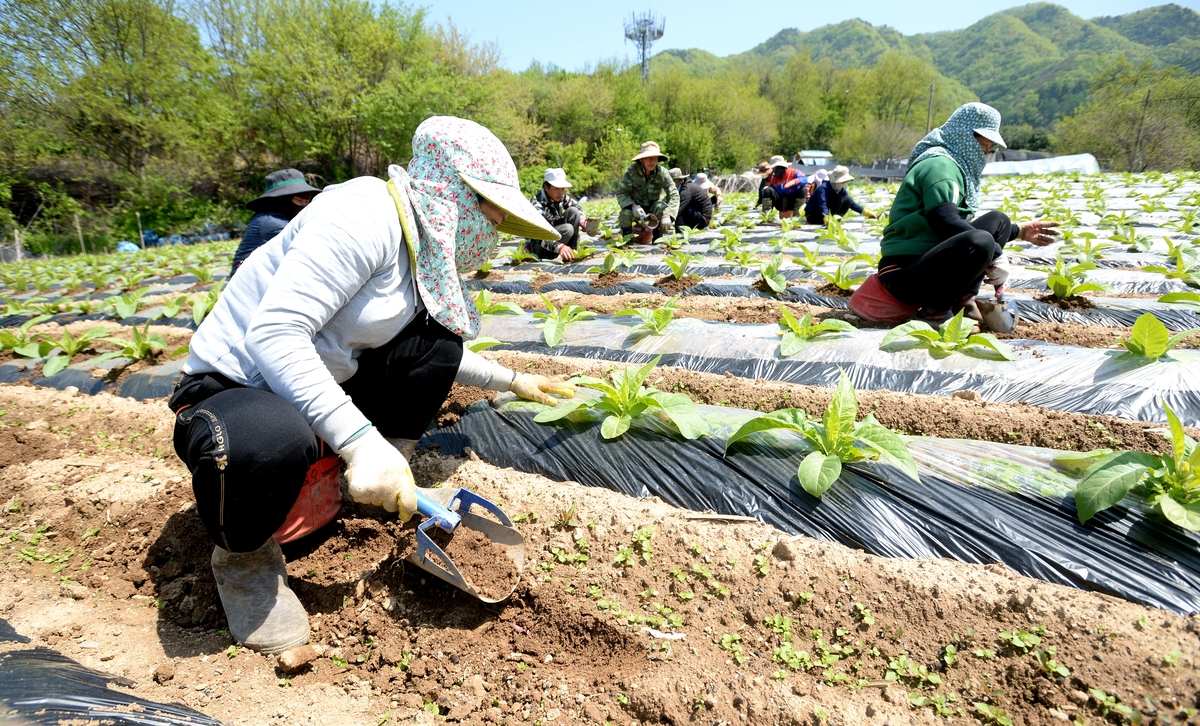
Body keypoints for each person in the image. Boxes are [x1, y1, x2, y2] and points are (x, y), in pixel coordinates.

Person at [169, 117, 575, 654]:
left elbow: (433, 356)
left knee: (439, 342)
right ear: (449, 193)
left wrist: (515, 379)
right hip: (235, 390)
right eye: (491, 208)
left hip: (315, 387)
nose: (497, 226)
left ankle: (373, 484)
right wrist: (361, 441)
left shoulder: (418, 251)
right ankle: (244, 562)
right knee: (269, 441)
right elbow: (274, 334)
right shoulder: (365, 214)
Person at [849, 103, 1059, 325]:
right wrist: (995, 253)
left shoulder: (954, 165)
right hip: (903, 272)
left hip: (929, 263)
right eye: (985, 144)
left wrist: (1020, 231)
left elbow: (958, 225)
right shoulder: (939, 166)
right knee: (980, 241)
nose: (986, 152)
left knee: (1000, 222)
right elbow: (945, 221)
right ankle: (936, 311)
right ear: (965, 137)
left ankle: (963, 301)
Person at [230, 169, 322, 276]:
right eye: (299, 201)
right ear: (282, 200)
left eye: (307, 201)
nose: (304, 206)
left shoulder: (281, 217)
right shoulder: (271, 221)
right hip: (249, 286)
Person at [617, 142, 679, 241]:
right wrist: (633, 206)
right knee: (625, 214)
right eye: (648, 158)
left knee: (661, 207)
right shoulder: (631, 172)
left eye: (655, 158)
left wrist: (668, 215)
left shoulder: (662, 173)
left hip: (652, 208)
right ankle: (627, 242)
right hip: (635, 209)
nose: (652, 161)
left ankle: (658, 240)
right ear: (641, 159)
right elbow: (622, 192)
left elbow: (674, 193)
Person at [526, 168, 587, 261]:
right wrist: (560, 247)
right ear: (546, 187)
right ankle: (557, 253)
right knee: (568, 229)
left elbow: (577, 206)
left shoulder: (561, 196)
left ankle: (571, 252)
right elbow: (539, 237)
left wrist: (582, 220)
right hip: (539, 245)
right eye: (557, 188)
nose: (560, 192)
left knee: (573, 211)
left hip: (555, 234)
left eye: (562, 188)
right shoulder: (537, 205)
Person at [805, 165, 877, 225]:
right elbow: (822, 204)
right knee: (840, 199)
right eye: (843, 181)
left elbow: (851, 203)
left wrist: (866, 212)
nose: (844, 183)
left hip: (825, 214)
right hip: (814, 216)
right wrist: (826, 217)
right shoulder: (823, 188)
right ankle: (828, 221)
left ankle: (836, 220)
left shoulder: (840, 189)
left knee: (847, 198)